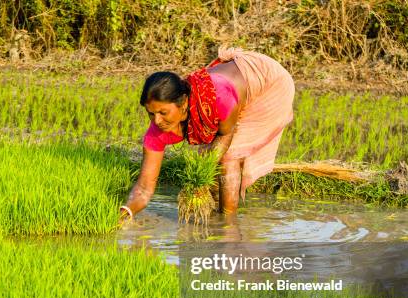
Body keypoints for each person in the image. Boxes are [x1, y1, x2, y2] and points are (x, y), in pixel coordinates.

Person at [118, 47, 295, 223]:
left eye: (163, 112)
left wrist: (201, 175)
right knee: (212, 157)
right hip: (234, 87)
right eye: (151, 113)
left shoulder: (216, 100)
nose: (156, 120)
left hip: (269, 80)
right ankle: (216, 214)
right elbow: (144, 188)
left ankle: (228, 224)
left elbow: (226, 134)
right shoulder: (157, 130)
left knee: (229, 156)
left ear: (183, 103)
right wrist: (124, 213)